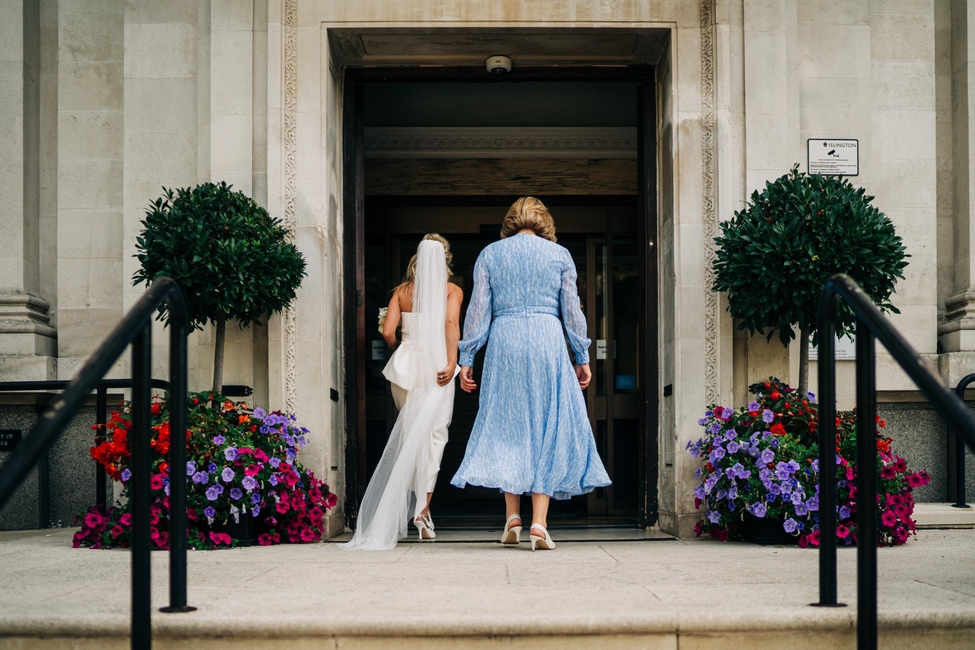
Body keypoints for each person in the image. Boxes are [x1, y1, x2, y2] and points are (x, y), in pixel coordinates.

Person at [451, 197, 611, 551]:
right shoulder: (560, 255)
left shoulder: (490, 254)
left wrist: (468, 357)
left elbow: (478, 310)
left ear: (510, 221)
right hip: (546, 340)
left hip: (504, 340)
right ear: (544, 222)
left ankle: (512, 517)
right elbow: (572, 310)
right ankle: (539, 523)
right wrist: (581, 354)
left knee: (508, 425)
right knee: (547, 426)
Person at [341, 234, 462, 550]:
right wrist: (452, 362)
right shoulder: (452, 290)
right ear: (445, 261)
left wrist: (402, 348)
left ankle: (411, 508)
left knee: (411, 437)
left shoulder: (402, 292)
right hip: (437, 368)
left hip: (405, 370)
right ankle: (422, 511)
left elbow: (386, 332)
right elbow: (450, 323)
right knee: (435, 437)